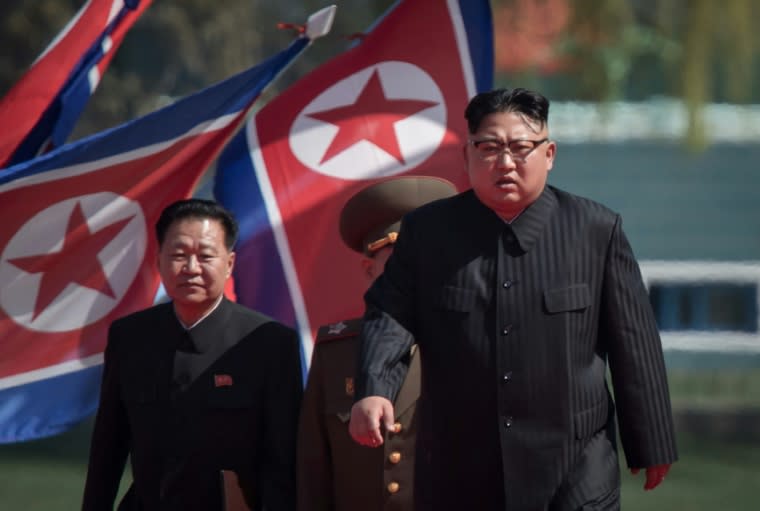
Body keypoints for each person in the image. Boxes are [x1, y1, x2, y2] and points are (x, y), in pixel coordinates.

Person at [348, 88, 678, 510]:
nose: (505, 162)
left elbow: (634, 341)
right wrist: (374, 389)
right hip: (461, 465)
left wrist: (650, 440)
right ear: (466, 154)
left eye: (521, 148)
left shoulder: (595, 230)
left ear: (549, 153)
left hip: (575, 464)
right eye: (489, 148)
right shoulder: (428, 233)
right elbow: (390, 314)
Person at [82, 198, 302, 511]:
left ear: (229, 264)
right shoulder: (130, 337)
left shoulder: (269, 342)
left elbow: (282, 459)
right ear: (159, 261)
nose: (191, 268)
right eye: (179, 255)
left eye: (206, 256)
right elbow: (108, 446)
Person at [297, 176, 458, 511]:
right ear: (369, 270)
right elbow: (314, 470)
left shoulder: (471, 343)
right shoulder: (336, 352)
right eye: (398, 264)